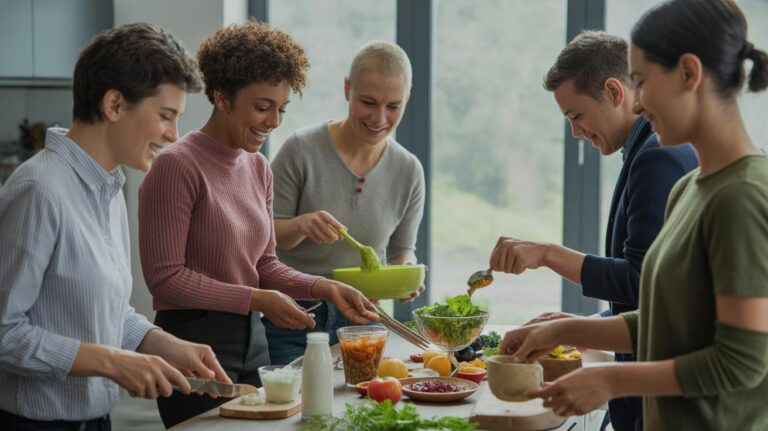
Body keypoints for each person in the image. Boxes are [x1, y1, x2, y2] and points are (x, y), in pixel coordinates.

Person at [500, 0, 768, 429]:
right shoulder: (689, 189)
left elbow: (741, 363)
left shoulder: (743, 196)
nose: (636, 103)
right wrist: (563, 332)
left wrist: (611, 380)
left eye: (640, 82)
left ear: (688, 73)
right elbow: (671, 323)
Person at [138, 22, 380, 428]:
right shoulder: (176, 165)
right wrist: (258, 299)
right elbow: (165, 279)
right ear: (221, 97)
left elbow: (264, 264)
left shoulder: (258, 168)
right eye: (262, 106)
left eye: (282, 109)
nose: (273, 122)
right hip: (191, 344)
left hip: (254, 342)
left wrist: (324, 287)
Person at [0, 23, 231, 430]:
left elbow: (95, 310)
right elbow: (5, 332)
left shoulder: (108, 186)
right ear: (114, 105)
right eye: (165, 115)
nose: (173, 135)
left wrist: (162, 344)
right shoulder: (39, 190)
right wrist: (113, 363)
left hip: (94, 421)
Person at [488, 30, 698, 430]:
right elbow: (654, 296)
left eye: (576, 115)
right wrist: (586, 327)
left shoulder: (658, 156)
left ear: (615, 92)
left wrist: (548, 254)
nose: (575, 132)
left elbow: (641, 282)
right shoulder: (646, 150)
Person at [264, 41, 426, 365]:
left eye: (393, 106)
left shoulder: (409, 171)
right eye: (368, 102)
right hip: (297, 319)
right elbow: (264, 239)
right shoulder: (300, 150)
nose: (379, 118)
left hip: (366, 321)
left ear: (407, 99)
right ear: (347, 89)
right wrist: (301, 225)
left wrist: (405, 276)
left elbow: (400, 253)